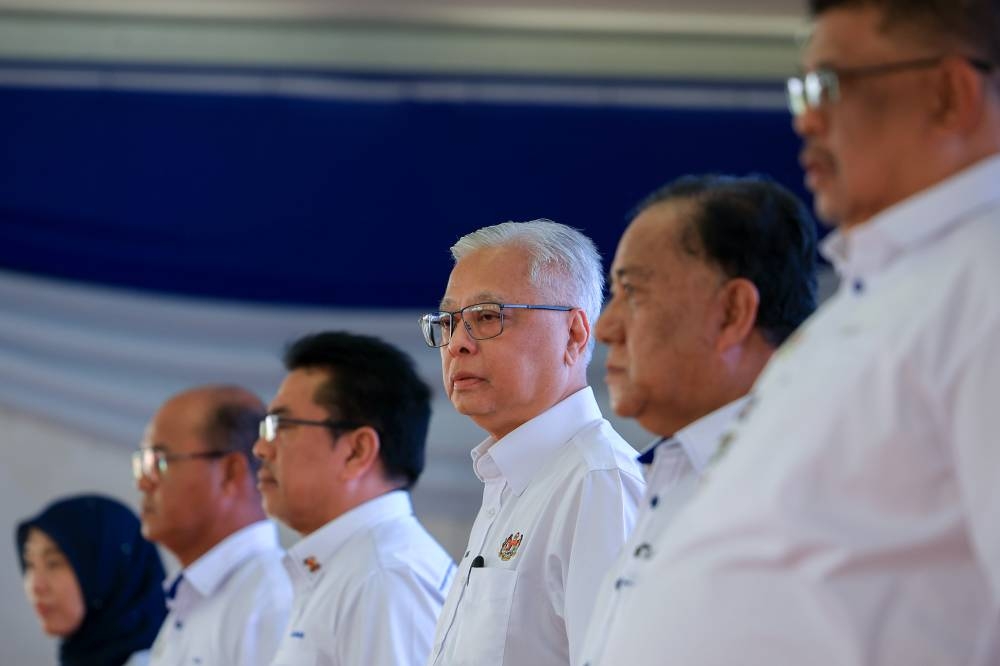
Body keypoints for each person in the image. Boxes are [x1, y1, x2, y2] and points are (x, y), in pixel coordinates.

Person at [597, 1, 1000, 664]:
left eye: (831, 86)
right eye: (803, 89)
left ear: (949, 93)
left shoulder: (982, 286)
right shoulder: (873, 299)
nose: (806, 119)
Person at [577, 174, 817, 666]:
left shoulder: (811, 484)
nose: (606, 327)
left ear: (732, 313)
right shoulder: (676, 473)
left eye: (632, 292)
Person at [420, 219, 645, 666]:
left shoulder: (599, 484)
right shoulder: (509, 480)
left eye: (487, 317)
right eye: (449, 322)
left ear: (574, 333)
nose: (457, 344)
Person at [253, 331, 454, 666]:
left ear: (357, 451)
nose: (260, 448)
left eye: (282, 425)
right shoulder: (355, 567)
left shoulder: (384, 578)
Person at [135, 385, 292, 666]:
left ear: (230, 472)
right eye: (144, 463)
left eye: (160, 462)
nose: (143, 482)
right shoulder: (192, 596)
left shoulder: (273, 602)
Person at [16, 494, 167, 666]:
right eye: (29, 564)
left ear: (110, 570)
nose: (36, 586)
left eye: (53, 563)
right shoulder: (80, 657)